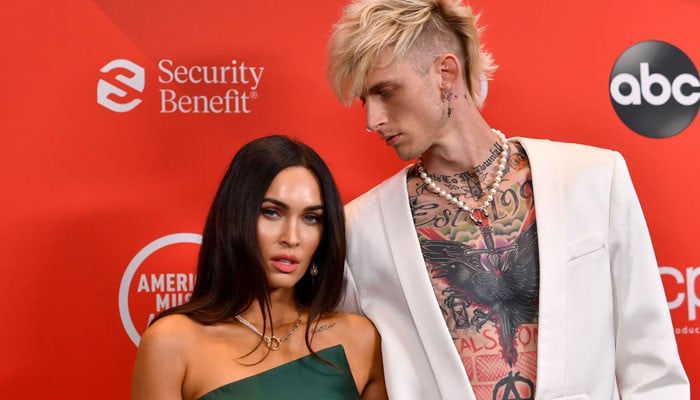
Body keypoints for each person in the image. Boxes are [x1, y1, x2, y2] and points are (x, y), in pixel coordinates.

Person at [326, 0, 690, 399]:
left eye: (385, 92)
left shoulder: (594, 179)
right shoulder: (359, 229)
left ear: (445, 73)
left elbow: (653, 372)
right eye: (365, 100)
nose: (372, 120)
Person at [131, 135, 387, 400]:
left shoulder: (361, 339)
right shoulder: (171, 343)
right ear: (235, 216)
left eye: (311, 218)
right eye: (272, 212)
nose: (292, 237)